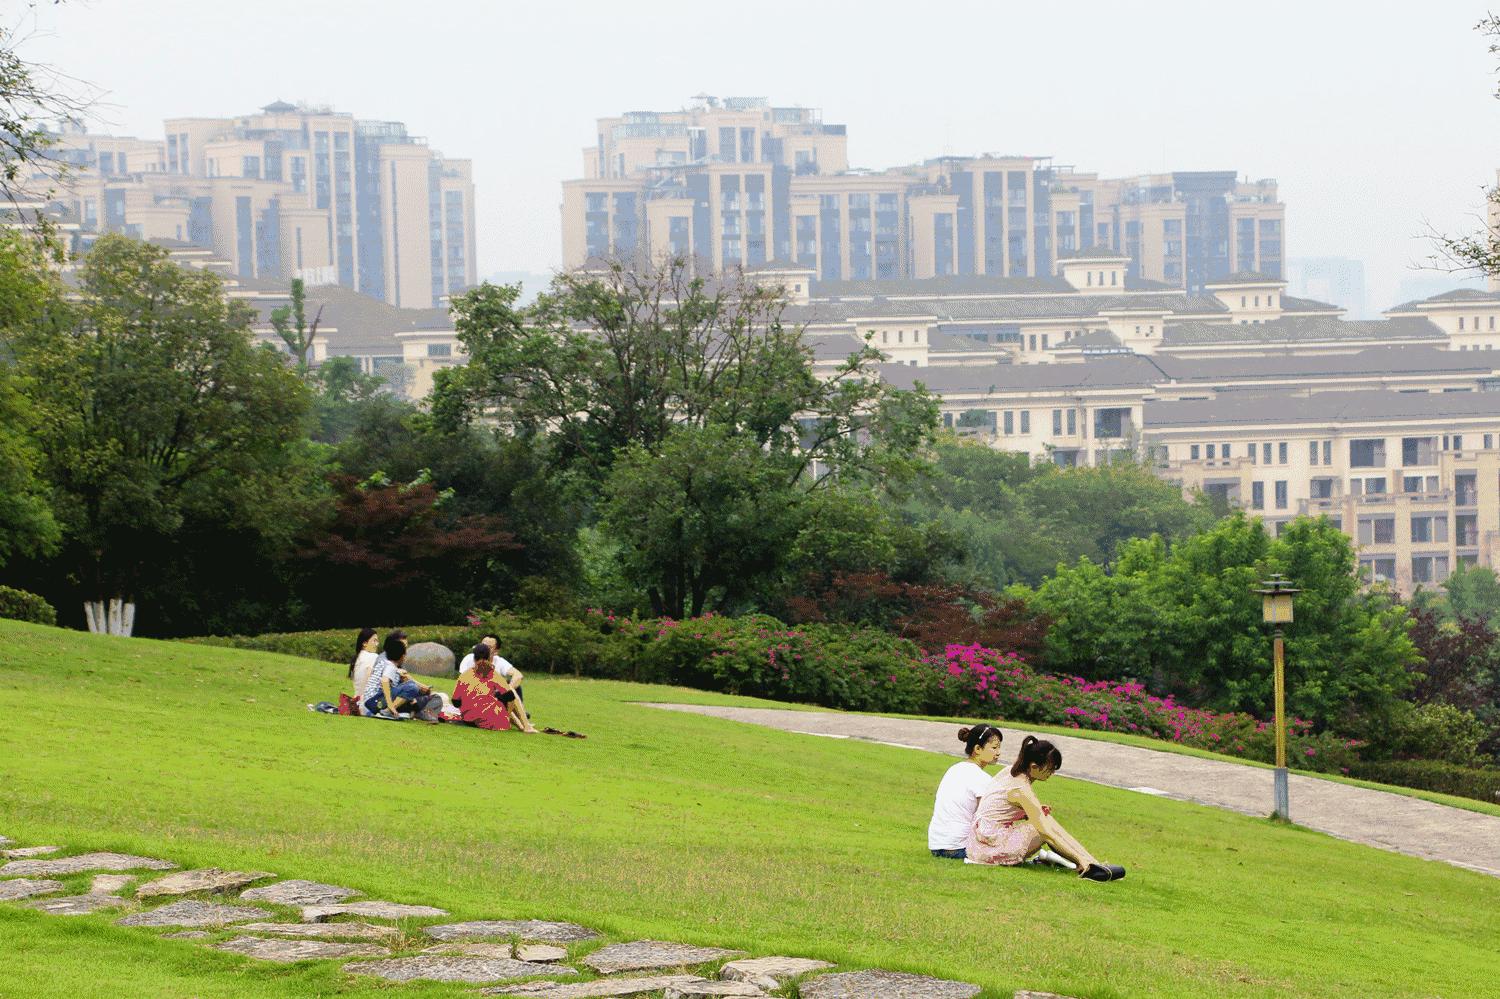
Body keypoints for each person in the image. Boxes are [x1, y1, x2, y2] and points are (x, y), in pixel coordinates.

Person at [967, 735, 1125, 882]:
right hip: (988, 848)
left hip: (982, 841)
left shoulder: (1011, 771)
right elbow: (1046, 833)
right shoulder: (1021, 789)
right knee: (1043, 826)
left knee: (1044, 818)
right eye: (1050, 769)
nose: (1052, 773)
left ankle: (1091, 863)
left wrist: (1029, 811)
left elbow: (998, 806)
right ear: (1034, 767)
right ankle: (1087, 865)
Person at [927, 724, 1003, 859]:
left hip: (936, 845)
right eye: (994, 748)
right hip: (959, 848)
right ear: (978, 749)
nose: (998, 752)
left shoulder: (955, 769)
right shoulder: (981, 778)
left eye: (999, 747)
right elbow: (988, 816)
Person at [453, 642, 537, 733]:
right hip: (495, 723)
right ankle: (525, 726)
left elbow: (456, 701)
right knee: (509, 695)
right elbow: (510, 697)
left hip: (468, 720)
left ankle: (521, 725)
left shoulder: (465, 675)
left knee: (496, 700)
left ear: (474, 658)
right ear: (489, 657)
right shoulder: (492, 674)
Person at [362, 633, 437, 721]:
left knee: (414, 689)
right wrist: (390, 705)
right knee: (412, 687)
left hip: (375, 700)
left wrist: (421, 688)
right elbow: (385, 681)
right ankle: (388, 711)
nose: (405, 650)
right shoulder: (389, 664)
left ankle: (406, 711)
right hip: (375, 700)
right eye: (403, 647)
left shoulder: (392, 662)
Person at [459, 634, 527, 709]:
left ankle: (518, 711)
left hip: (495, 698)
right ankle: (519, 713)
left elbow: (518, 675)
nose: (483, 649)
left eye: (488, 647)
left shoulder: (499, 661)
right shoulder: (469, 659)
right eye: (482, 645)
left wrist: (509, 688)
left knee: (515, 688)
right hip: (475, 699)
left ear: (496, 651)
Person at [348, 627, 379, 701]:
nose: (377, 644)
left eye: (377, 641)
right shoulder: (373, 657)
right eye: (374, 641)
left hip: (357, 701)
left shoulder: (356, 658)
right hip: (369, 701)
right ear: (365, 643)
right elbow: (368, 679)